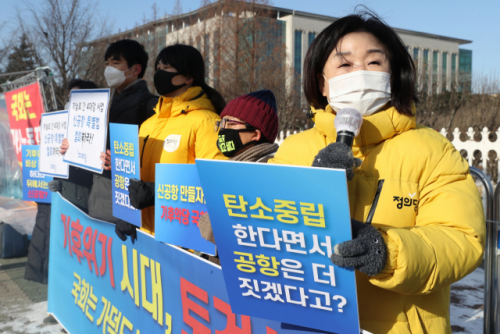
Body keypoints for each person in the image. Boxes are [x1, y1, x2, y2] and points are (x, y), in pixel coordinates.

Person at [269, 12, 485, 334]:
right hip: (310, 321)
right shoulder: (293, 151)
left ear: (393, 75)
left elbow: (462, 239)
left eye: (373, 63)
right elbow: (264, 225)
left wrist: (387, 252)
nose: (360, 74)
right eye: (344, 65)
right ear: (322, 83)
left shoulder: (431, 149)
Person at [122, 43, 227, 238]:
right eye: (158, 68)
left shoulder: (206, 121)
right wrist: (126, 213)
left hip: (181, 240)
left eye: (166, 68)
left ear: (188, 76)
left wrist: (158, 191)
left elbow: (216, 183)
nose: (159, 73)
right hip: (144, 235)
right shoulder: (148, 125)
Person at [60, 39, 158, 229]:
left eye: (115, 63)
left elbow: (152, 156)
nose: (108, 69)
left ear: (135, 69)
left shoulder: (148, 104)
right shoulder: (107, 103)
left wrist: (122, 162)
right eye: (107, 64)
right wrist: (72, 147)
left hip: (126, 202)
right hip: (100, 195)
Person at [198, 90, 280, 254]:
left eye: (231, 124)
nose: (223, 130)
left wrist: (216, 227)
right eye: (222, 123)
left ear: (255, 134)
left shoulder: (268, 172)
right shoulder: (230, 167)